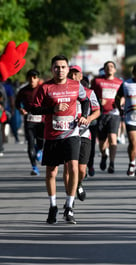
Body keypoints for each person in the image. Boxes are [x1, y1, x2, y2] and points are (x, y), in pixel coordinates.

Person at [32, 55, 90, 224]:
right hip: (52, 135)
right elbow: (34, 109)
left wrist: (84, 115)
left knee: (72, 167)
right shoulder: (45, 87)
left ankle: (70, 207)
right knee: (51, 171)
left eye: (63, 67)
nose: (60, 70)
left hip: (71, 133)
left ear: (67, 68)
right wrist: (53, 109)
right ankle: (52, 206)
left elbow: (85, 100)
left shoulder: (75, 85)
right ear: (52, 69)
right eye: (57, 67)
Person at [64, 65, 100, 202]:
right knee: (68, 168)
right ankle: (70, 200)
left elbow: (97, 111)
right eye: (71, 74)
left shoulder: (89, 93)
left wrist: (88, 118)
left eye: (76, 74)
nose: (73, 77)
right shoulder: (63, 92)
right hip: (67, 133)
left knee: (81, 170)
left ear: (80, 76)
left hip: (84, 133)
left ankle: (78, 184)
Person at [91, 61, 123, 174]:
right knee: (102, 141)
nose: (109, 68)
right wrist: (99, 101)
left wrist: (120, 103)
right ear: (104, 69)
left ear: (114, 70)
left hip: (114, 113)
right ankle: (104, 155)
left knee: (113, 138)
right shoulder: (97, 81)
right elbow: (91, 95)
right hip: (101, 113)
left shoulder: (120, 82)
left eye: (111, 66)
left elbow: (123, 96)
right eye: (107, 67)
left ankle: (112, 163)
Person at [15, 69, 44, 175]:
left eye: (34, 77)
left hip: (42, 120)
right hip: (29, 120)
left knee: (41, 143)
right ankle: (34, 167)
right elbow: (17, 103)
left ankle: (39, 150)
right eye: (30, 77)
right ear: (27, 79)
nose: (32, 79)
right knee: (30, 145)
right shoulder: (23, 91)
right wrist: (21, 109)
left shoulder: (43, 89)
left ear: (38, 79)